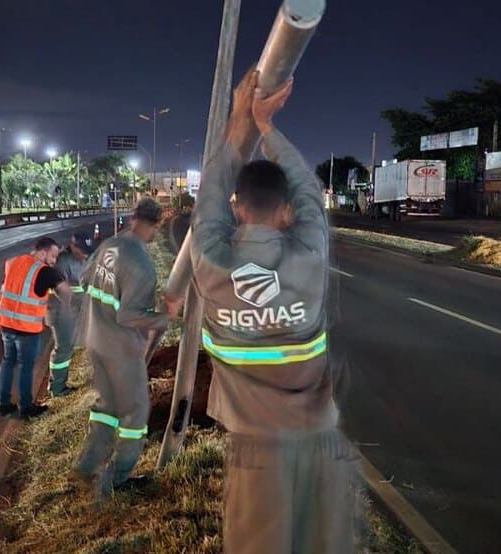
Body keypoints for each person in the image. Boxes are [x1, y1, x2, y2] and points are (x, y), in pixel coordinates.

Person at [187, 70, 360, 552]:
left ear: (238, 209)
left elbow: (210, 195)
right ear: (287, 212)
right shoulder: (307, 255)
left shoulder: (212, 262)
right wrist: (266, 127)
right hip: (321, 441)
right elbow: (308, 188)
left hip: (257, 451)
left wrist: (241, 120)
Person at [73, 198, 173, 497]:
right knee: (136, 415)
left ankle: (88, 465)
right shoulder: (142, 265)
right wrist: (165, 317)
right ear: (156, 225)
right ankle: (116, 481)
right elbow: (129, 316)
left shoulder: (110, 245)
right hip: (121, 350)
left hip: (93, 340)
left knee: (107, 406)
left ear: (132, 218)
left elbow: (84, 278)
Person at [0, 236, 72, 419]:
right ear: (42, 252)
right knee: (26, 367)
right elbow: (66, 293)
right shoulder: (45, 271)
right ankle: (26, 408)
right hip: (26, 329)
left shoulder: (13, 262)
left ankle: (4, 405)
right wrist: (66, 307)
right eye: (53, 256)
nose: (54, 261)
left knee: (7, 362)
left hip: (7, 324)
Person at [45, 231, 94, 398]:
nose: (85, 254)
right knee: (64, 348)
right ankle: (57, 389)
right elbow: (61, 290)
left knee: (74, 345)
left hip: (75, 309)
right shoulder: (62, 261)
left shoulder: (85, 257)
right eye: (82, 250)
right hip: (61, 311)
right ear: (72, 247)